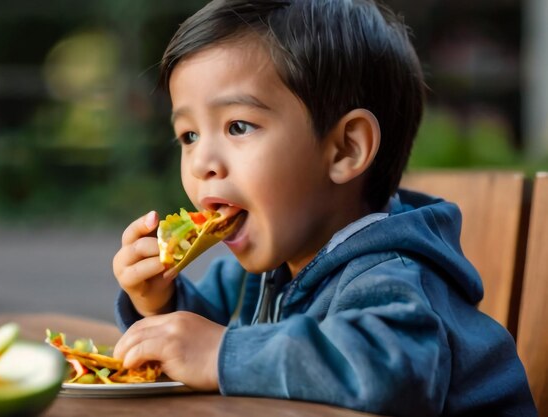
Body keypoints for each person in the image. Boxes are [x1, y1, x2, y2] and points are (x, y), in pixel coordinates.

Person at [111, 0, 537, 415]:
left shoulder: (394, 275)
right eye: (188, 136)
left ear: (345, 150)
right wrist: (160, 303)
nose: (202, 163)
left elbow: (392, 375)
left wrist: (220, 352)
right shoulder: (253, 276)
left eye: (237, 126)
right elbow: (196, 334)